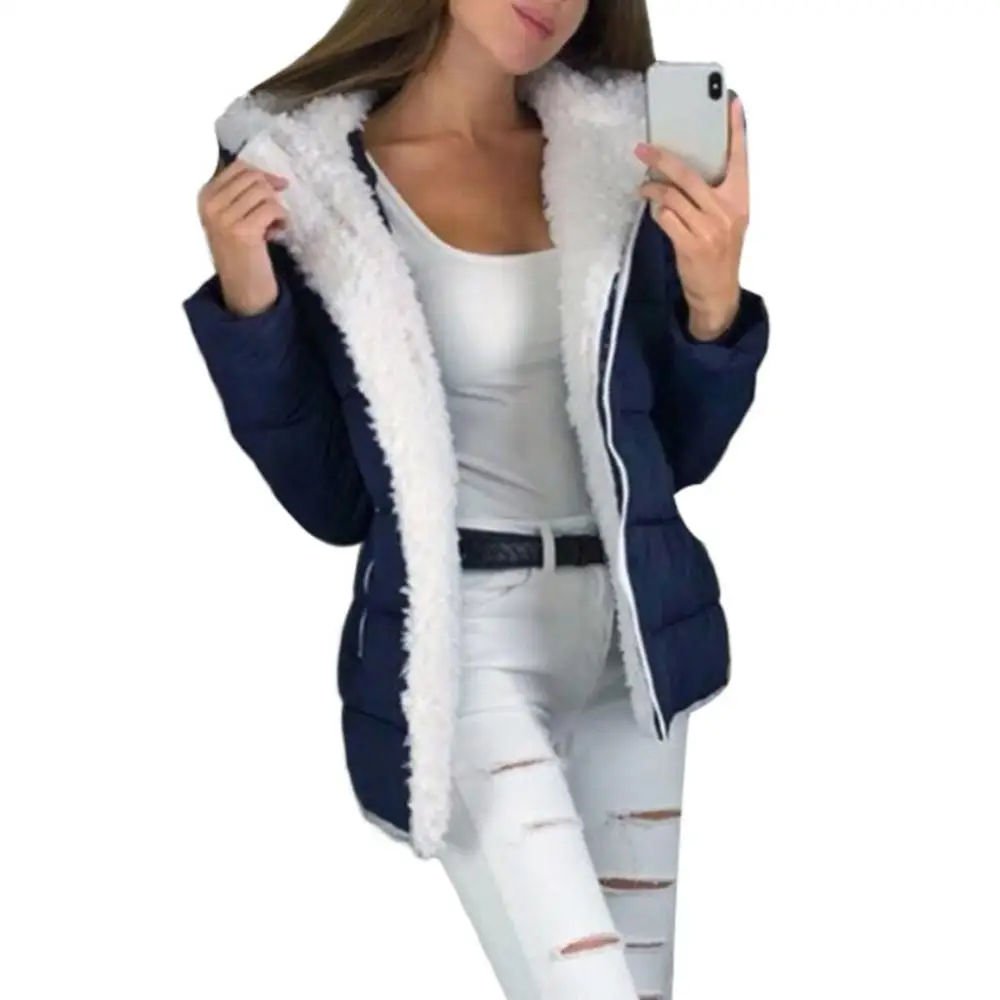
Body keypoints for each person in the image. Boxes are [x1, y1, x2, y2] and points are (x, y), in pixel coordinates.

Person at [181, 1, 769, 997]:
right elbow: (333, 502)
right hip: (469, 647)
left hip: (631, 643)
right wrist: (252, 306)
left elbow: (675, 458)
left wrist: (714, 299)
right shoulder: (315, 182)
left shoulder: (614, 155)